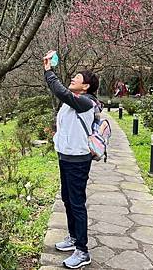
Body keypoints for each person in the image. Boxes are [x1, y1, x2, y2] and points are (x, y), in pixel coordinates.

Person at [43, 50, 100, 269]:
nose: (72, 79)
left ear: (85, 86)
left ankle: (83, 251)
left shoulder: (85, 102)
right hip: (66, 157)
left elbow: (61, 92)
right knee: (67, 199)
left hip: (78, 160)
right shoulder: (73, 102)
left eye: (77, 78)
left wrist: (49, 71)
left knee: (77, 203)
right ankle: (73, 238)